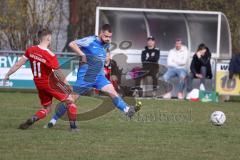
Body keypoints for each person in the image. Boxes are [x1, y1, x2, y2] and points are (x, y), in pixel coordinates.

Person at [46, 24, 141, 128]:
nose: (108, 39)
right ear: (100, 33)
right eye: (106, 36)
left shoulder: (106, 44)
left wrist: (106, 59)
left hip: (99, 77)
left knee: (112, 92)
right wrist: (82, 55)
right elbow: (72, 44)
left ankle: (127, 110)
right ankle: (53, 120)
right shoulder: (90, 40)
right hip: (86, 77)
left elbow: (103, 53)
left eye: (110, 37)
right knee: (71, 99)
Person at [3, 29, 79, 131]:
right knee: (70, 101)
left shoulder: (31, 50)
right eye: (50, 37)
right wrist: (67, 84)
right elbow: (58, 73)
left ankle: (34, 118)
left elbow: (18, 64)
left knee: (46, 108)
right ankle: (73, 128)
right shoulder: (50, 55)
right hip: (50, 83)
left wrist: (8, 74)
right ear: (48, 38)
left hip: (39, 84)